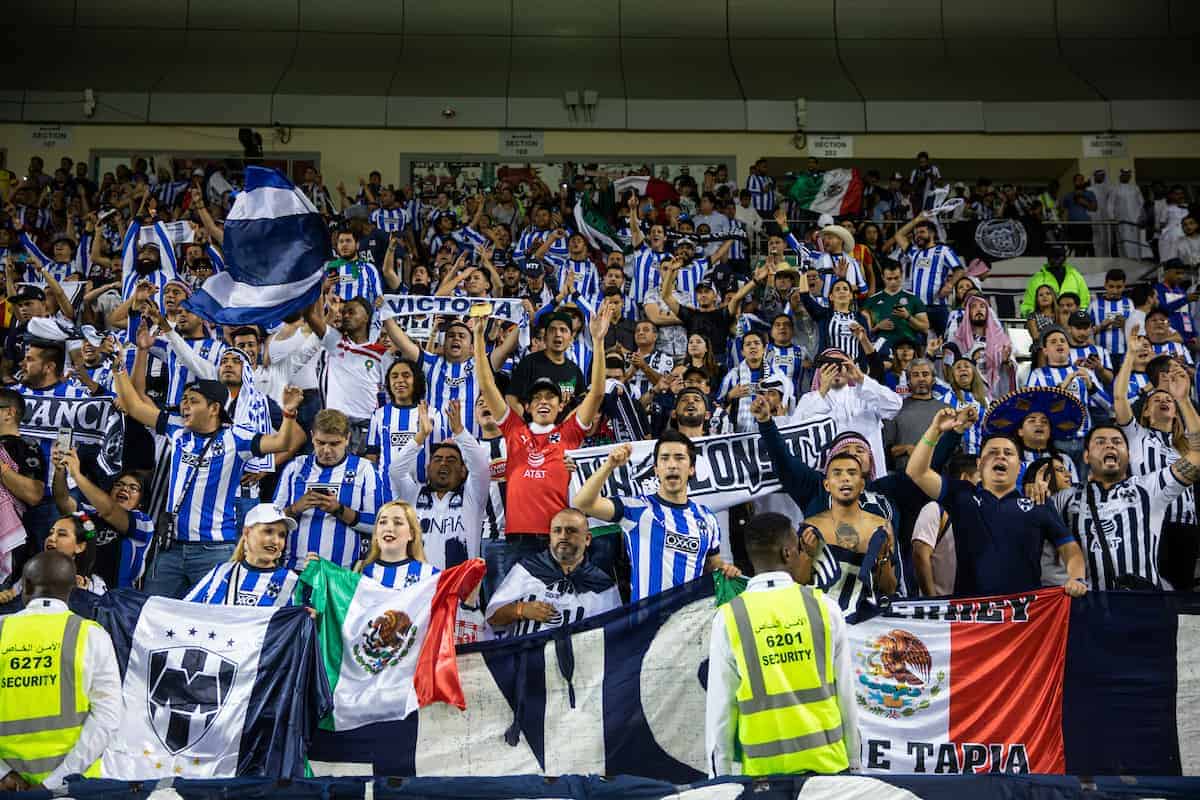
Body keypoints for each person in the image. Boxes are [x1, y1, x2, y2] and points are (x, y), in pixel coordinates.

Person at [113, 361, 307, 598]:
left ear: (214, 408)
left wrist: (288, 414)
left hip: (214, 550)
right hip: (171, 547)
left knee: (209, 620)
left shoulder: (236, 438)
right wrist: (118, 366)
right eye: (184, 399)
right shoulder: (176, 428)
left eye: (193, 401)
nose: (185, 405)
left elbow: (282, 443)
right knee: (154, 610)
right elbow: (132, 405)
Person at [705, 512, 859, 778]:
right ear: (788, 553)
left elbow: (720, 710)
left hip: (764, 777)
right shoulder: (825, 608)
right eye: (799, 549)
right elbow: (847, 696)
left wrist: (719, 780)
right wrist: (855, 767)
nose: (801, 555)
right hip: (829, 770)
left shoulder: (729, 617)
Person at [476, 308, 610, 588]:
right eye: (536, 398)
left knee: (555, 610)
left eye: (551, 397)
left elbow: (597, 393)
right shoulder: (513, 430)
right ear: (527, 406)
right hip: (517, 541)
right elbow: (487, 385)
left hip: (557, 541)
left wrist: (598, 342)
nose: (544, 402)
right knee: (509, 614)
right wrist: (478, 338)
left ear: (562, 405)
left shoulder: (570, 434)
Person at [906, 408, 1088, 598]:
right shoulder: (961, 495)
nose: (1000, 456)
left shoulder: (1038, 503)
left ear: (1019, 468)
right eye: (992, 452)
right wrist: (935, 430)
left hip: (1025, 617)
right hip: (972, 616)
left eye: (1008, 453)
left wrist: (1077, 578)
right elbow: (916, 473)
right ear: (979, 464)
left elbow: (1069, 547)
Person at [0, 551, 120, 791]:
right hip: (74, 788)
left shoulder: (2, 629)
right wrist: (54, 783)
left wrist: (4, 774)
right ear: (71, 590)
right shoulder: (92, 635)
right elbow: (108, 719)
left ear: (26, 585)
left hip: (7, 788)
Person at [573, 432, 740, 601]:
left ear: (691, 469)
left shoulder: (707, 518)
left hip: (691, 622)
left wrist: (726, 569)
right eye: (665, 458)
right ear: (656, 470)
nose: (672, 465)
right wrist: (609, 465)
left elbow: (713, 564)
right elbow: (583, 503)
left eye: (679, 458)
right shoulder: (636, 508)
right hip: (647, 621)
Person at [1112, 349, 1199, 590]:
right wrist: (1130, 354)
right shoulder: (1135, 435)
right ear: (1146, 412)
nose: (1164, 401)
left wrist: (1183, 398)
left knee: (1180, 595)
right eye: (1156, 400)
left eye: (1168, 400)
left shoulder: (1185, 446)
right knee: (1150, 590)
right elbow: (1119, 398)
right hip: (1149, 524)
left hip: (1185, 526)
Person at [485, 508, 620, 639]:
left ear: (587, 539)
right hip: (529, 658)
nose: (563, 536)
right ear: (550, 537)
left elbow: (615, 634)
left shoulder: (603, 585)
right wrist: (521, 609)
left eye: (571, 531)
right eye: (557, 531)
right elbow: (492, 618)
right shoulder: (527, 570)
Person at [388, 400, 490, 570]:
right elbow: (395, 470)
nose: (443, 463)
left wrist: (459, 432)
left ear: (463, 471)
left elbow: (480, 466)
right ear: (428, 469)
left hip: (460, 589)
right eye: (437, 459)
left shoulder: (473, 496)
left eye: (451, 460)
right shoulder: (413, 493)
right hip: (418, 587)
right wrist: (421, 435)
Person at [276, 409, 382, 569]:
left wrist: (338, 510)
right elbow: (269, 520)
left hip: (341, 573)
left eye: (334, 444)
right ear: (312, 437)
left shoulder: (364, 469)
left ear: (347, 439)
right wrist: (295, 508)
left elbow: (377, 525)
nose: (326, 450)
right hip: (295, 570)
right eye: (320, 442)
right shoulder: (295, 467)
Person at [798, 453, 898, 619]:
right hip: (822, 621)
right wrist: (807, 555)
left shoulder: (882, 527)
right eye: (837, 473)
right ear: (827, 485)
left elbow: (889, 589)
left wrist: (882, 558)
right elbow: (798, 584)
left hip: (867, 625)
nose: (845, 478)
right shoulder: (811, 527)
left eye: (852, 473)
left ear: (861, 484)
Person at [50, 448, 152, 588]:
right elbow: (63, 502)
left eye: (133, 488)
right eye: (119, 485)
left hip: (119, 598)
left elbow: (109, 511)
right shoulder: (89, 518)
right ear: (109, 493)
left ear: (141, 502)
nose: (124, 489)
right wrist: (60, 470)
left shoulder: (143, 523)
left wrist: (77, 475)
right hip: (86, 591)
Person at [792, 349, 902, 476]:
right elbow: (797, 436)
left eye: (840, 364)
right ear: (819, 372)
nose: (835, 370)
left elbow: (895, 406)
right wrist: (821, 391)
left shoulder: (866, 393)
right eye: (828, 366)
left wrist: (861, 379)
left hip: (871, 475)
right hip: (829, 479)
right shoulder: (809, 399)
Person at [185, 503, 300, 606]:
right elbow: (184, 610)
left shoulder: (291, 581)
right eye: (268, 531)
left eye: (282, 535)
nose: (276, 541)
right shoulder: (221, 572)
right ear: (246, 532)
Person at [912, 453, 979, 597]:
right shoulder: (934, 509)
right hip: (941, 609)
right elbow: (920, 555)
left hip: (972, 607)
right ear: (965, 478)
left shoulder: (983, 512)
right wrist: (933, 602)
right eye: (981, 477)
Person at [354, 500, 439, 589]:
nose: (389, 528)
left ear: (411, 534)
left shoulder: (431, 576)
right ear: (375, 532)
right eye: (383, 522)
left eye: (398, 523)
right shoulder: (360, 571)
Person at [884, 359, 950, 472]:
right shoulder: (895, 409)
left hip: (938, 475)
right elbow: (886, 450)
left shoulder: (946, 411)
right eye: (915, 375)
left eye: (925, 374)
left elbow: (953, 448)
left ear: (933, 379)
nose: (921, 379)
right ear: (908, 381)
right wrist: (906, 449)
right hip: (904, 474)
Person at [863, 260, 929, 353]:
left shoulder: (913, 299)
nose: (893, 282)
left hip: (907, 347)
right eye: (889, 279)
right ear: (882, 277)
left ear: (902, 275)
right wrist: (877, 327)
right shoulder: (872, 301)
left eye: (896, 278)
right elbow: (862, 332)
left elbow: (925, 327)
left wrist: (908, 317)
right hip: (881, 348)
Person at [1019, 246, 1090, 317]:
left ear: (1065, 258)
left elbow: (1085, 302)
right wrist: (1038, 318)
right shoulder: (1037, 279)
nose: (1056, 259)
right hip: (1045, 323)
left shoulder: (1076, 276)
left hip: (1072, 323)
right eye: (1053, 256)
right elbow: (1028, 306)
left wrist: (1078, 318)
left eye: (1059, 256)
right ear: (1048, 258)